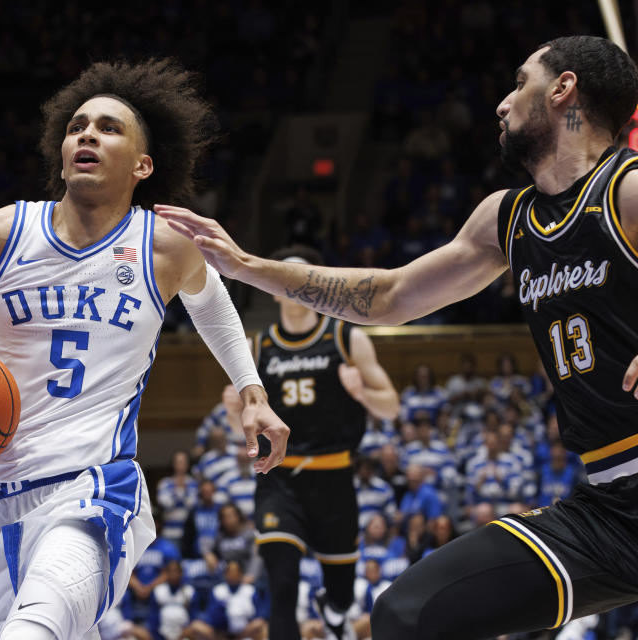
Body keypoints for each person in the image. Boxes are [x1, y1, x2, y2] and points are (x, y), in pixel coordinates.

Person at [156, 35, 638, 638]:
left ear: (563, 88)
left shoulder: (627, 189)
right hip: (608, 510)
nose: (503, 102)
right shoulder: (507, 219)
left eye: (521, 82)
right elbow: (388, 296)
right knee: (404, 615)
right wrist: (250, 267)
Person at [0, 59, 289, 640]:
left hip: (98, 490)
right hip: (1, 498)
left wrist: (252, 392)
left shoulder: (165, 247)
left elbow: (211, 303)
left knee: (35, 629)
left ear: (143, 165)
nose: (87, 135)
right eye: (77, 126)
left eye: (108, 128)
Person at [249, 246, 399, 640]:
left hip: (334, 479)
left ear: (315, 285)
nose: (296, 287)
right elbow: (243, 426)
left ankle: (333, 615)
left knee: (342, 594)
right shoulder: (258, 346)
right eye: (288, 279)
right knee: (281, 582)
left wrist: (363, 392)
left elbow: (391, 406)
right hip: (278, 479)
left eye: (304, 278)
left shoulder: (345, 337)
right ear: (275, 290)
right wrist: (236, 411)